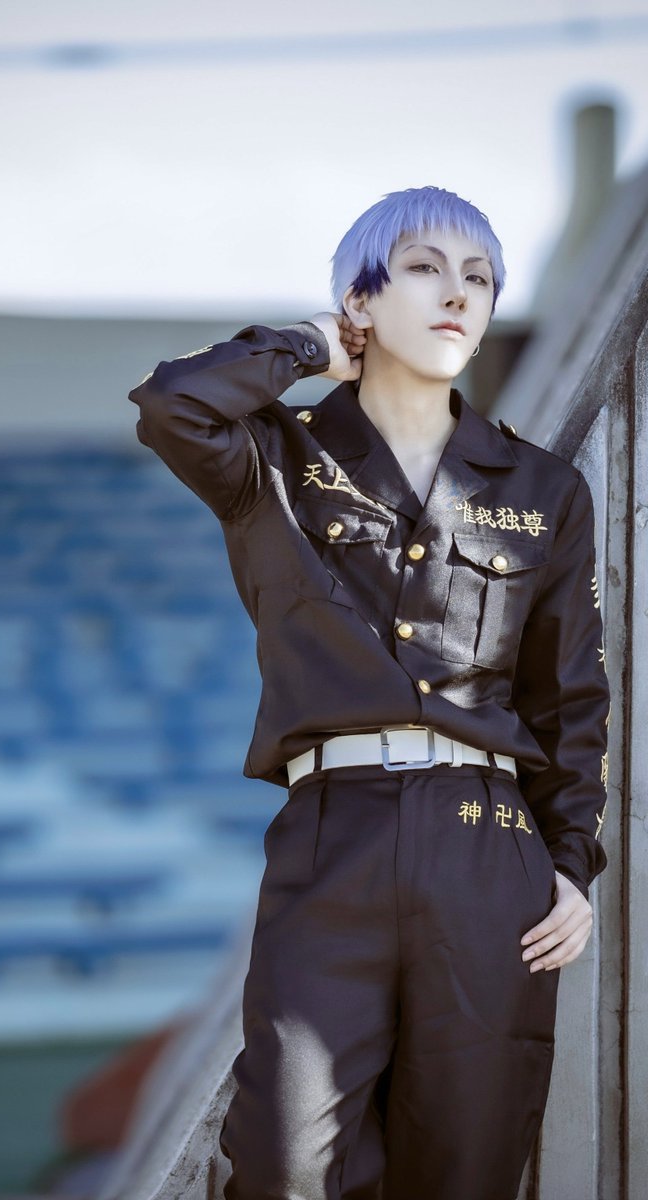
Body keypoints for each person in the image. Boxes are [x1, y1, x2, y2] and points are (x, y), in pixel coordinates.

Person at [127, 186, 611, 1200]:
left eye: (479, 278)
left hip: (490, 851)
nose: (459, 294)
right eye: (426, 269)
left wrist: (572, 862)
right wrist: (310, 345)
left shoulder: (541, 491)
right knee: (284, 1163)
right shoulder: (276, 457)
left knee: (468, 1164)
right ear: (361, 298)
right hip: (332, 837)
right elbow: (174, 405)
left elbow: (569, 696)